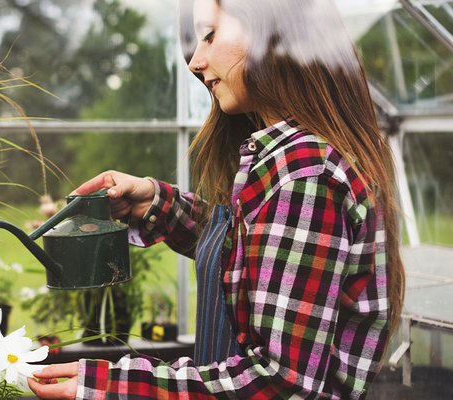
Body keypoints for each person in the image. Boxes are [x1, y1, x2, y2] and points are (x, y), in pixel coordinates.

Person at [27, 0, 405, 398]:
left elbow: (280, 382)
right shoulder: (288, 159)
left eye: (209, 35)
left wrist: (111, 386)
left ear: (273, 30)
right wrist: (156, 203)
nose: (195, 61)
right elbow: (251, 256)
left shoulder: (303, 174)